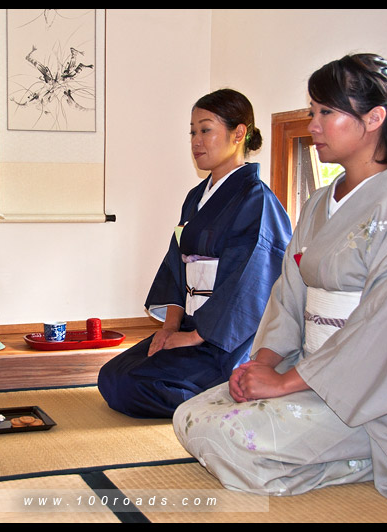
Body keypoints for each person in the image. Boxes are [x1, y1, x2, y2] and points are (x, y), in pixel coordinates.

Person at [173, 54, 387, 503]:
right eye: (312, 112)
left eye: (325, 112)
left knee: (232, 439)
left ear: (374, 118)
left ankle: (382, 451)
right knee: (190, 416)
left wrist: (285, 384)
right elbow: (288, 298)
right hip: (311, 374)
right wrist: (265, 365)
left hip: (375, 396)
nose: (312, 125)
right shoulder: (317, 204)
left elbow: (382, 333)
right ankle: (323, 451)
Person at [98, 89, 292, 418]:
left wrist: (195, 337)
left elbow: (247, 283)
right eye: (192, 132)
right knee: (111, 375)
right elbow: (176, 265)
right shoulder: (195, 197)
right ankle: (209, 390)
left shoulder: (257, 201)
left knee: (134, 385)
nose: (196, 141)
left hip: (222, 341)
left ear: (239, 133)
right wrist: (170, 329)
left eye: (205, 130)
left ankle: (225, 390)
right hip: (188, 328)